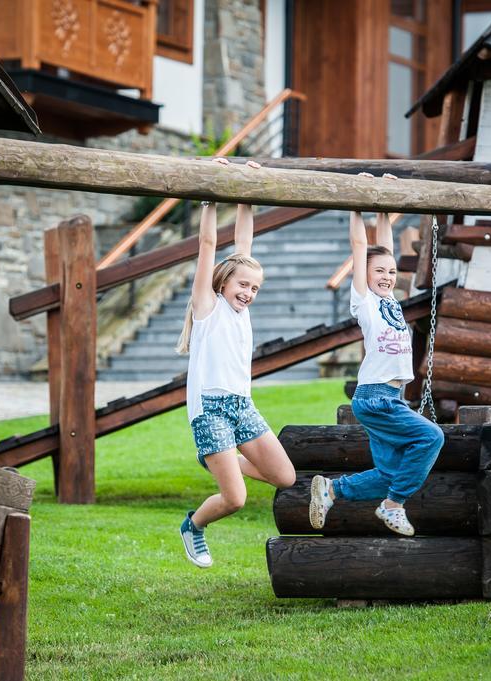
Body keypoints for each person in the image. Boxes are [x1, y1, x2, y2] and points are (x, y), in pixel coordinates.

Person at [309, 176, 444, 536]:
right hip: (376, 398)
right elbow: (361, 244)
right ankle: (393, 505)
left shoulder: (390, 301)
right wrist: (359, 202)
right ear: (363, 276)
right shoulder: (365, 302)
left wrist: (383, 202)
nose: (386, 276)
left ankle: (332, 489)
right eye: (378, 272)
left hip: (391, 397)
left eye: (390, 272)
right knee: (431, 438)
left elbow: (385, 246)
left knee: (387, 472)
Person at [177, 180, 296, 568]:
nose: (249, 293)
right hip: (210, 410)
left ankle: (217, 457)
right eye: (243, 285)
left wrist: (247, 190)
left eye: (255, 288)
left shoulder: (242, 311)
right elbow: (208, 247)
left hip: (243, 406)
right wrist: (210, 199)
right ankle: (193, 526)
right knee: (235, 498)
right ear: (223, 282)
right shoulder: (207, 309)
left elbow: (244, 244)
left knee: (285, 476)